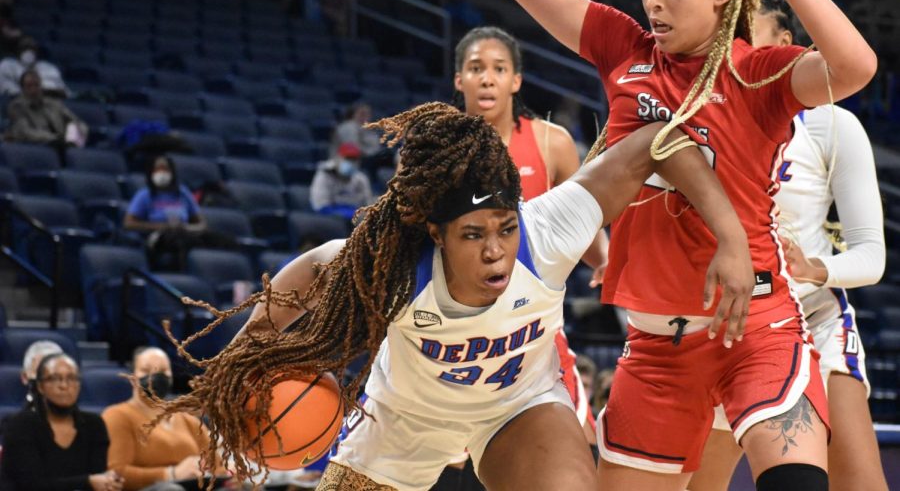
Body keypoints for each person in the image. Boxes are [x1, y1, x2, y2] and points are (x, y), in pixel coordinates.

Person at [149, 102, 753, 490]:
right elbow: (310, 266)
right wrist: (252, 345)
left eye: (504, 227)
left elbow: (657, 139)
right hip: (404, 418)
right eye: (473, 234)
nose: (495, 250)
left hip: (516, 406)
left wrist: (731, 238)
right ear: (435, 234)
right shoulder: (392, 266)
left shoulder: (548, 230)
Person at [488, 0, 876, 489]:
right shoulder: (625, 51)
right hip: (655, 350)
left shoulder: (757, 70)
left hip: (757, 330)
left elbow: (855, 66)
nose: (652, 2)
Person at [689, 0, 888, 491]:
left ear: (785, 46)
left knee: (860, 482)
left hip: (811, 316)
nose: (731, 48)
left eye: (746, 33)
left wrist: (815, 269)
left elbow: (871, 255)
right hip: (723, 323)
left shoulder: (832, 125)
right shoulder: (691, 114)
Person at [451, 26, 608, 441]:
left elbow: (582, 224)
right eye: (475, 68)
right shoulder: (435, 149)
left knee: (581, 447)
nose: (487, 78)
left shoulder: (550, 143)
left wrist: (608, 263)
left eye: (499, 69)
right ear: (459, 80)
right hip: (456, 336)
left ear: (515, 80)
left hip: (532, 331)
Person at [103, 347, 226, 491]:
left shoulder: (189, 420)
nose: (155, 376)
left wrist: (228, 480)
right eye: (146, 370)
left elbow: (217, 467)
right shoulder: (117, 415)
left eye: (163, 371)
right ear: (132, 377)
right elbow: (118, 472)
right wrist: (171, 474)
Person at [0, 353, 124, 491]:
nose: (64, 385)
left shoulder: (94, 425)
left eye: (71, 378)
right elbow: (31, 485)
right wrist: (88, 482)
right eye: (54, 379)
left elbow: (97, 476)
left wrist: (109, 482)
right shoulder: (20, 425)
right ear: (40, 386)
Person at [124, 155, 236, 270]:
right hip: (159, 236)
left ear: (172, 171)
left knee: (224, 241)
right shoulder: (144, 194)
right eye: (157, 169)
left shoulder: (182, 192)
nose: (162, 173)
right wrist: (163, 226)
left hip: (185, 231)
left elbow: (201, 224)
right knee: (181, 241)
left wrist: (187, 228)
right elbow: (129, 223)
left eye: (165, 169)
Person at [5, 69, 86, 147]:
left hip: (63, 145)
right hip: (38, 147)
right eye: (29, 86)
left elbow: (77, 122)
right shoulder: (17, 106)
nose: (33, 90)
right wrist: (55, 138)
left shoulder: (54, 104)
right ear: (22, 89)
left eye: (36, 85)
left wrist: (72, 140)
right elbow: (25, 132)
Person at [309, 141, 374, 221]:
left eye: (354, 160)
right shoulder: (324, 175)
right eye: (348, 159)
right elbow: (320, 206)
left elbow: (368, 205)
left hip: (355, 221)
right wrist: (347, 214)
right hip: (330, 219)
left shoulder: (361, 179)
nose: (351, 163)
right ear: (338, 158)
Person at [0, 36, 69, 98]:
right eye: (25, 48)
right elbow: (9, 90)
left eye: (32, 48)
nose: (28, 52)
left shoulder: (49, 68)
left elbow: (61, 91)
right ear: (17, 50)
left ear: (37, 51)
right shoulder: (7, 65)